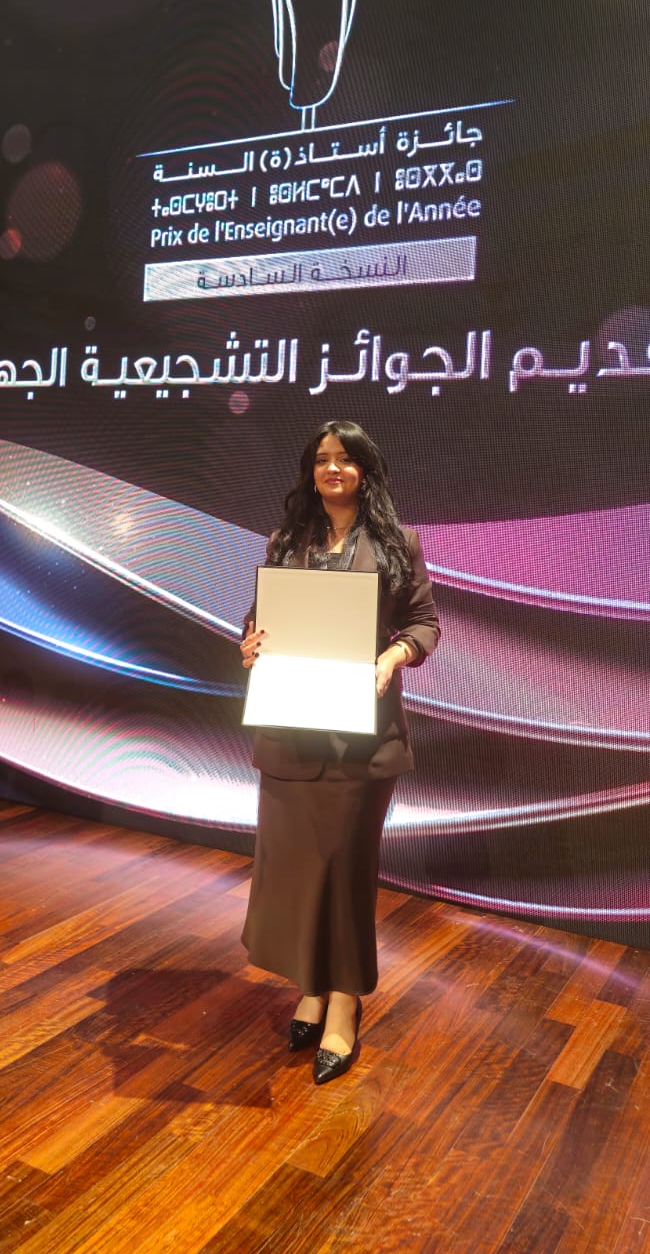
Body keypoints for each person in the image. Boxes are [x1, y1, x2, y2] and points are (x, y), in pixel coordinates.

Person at [240, 420, 440, 1085]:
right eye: (323, 459)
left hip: (362, 737)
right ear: (310, 471)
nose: (333, 468)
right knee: (300, 871)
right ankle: (311, 987)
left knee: (346, 869)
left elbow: (424, 623)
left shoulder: (398, 543)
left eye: (346, 459)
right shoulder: (285, 540)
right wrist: (251, 643)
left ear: (365, 471)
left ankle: (345, 1002)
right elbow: (259, 619)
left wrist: (392, 656)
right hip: (291, 729)